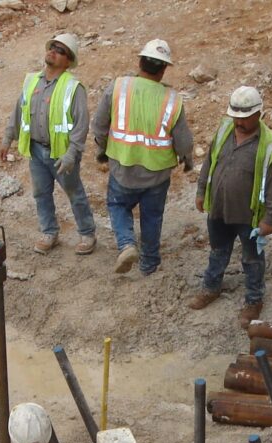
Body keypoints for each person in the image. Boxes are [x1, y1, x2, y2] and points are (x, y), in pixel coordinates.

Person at [91, 39, 194, 276]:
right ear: (164, 69)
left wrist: (102, 149)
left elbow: (99, 126)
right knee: (152, 216)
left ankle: (126, 244)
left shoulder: (118, 87)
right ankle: (149, 264)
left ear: (139, 62)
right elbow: (184, 141)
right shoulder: (172, 98)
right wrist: (186, 159)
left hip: (123, 167)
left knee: (117, 205)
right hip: (157, 174)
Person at [189, 86, 272, 325]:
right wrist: (201, 191)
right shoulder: (224, 130)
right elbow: (210, 160)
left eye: (245, 119)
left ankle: (254, 300)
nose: (239, 123)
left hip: (249, 215)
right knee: (218, 251)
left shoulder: (270, 146)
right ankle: (211, 288)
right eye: (236, 118)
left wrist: (269, 219)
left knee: (252, 259)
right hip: (219, 208)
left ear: (259, 114)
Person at [0, 34, 97, 256]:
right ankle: (49, 232)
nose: (53, 51)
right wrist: (7, 139)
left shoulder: (73, 87)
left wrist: (72, 153)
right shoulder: (32, 81)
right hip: (36, 150)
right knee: (41, 193)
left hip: (62, 154)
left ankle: (87, 233)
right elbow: (18, 112)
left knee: (74, 193)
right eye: (52, 47)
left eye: (60, 50)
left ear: (68, 61)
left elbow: (82, 123)